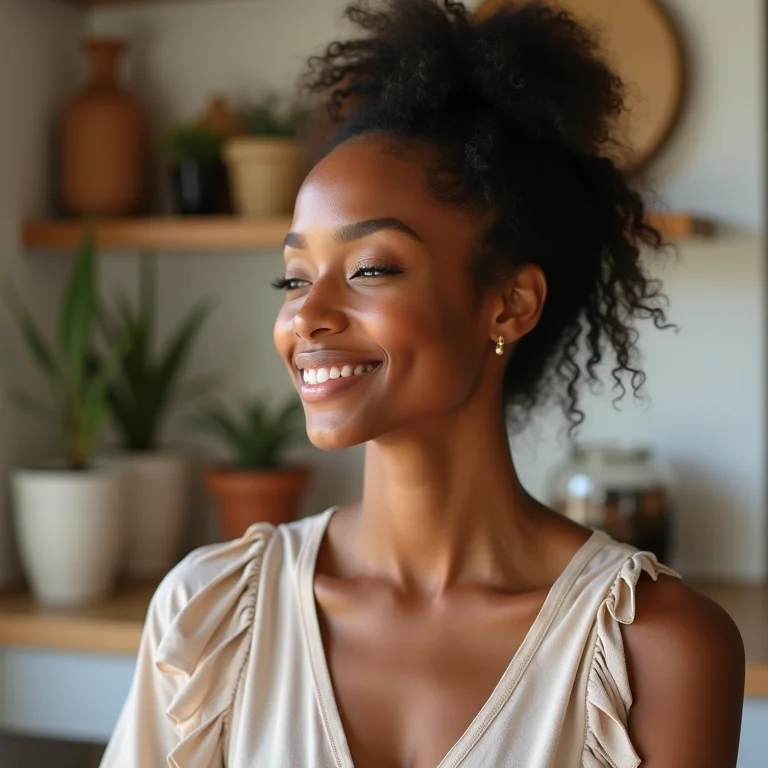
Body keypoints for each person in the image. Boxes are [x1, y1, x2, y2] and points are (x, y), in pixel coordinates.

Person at [100, 2, 745, 766]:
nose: (307, 316)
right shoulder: (207, 614)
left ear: (510, 302)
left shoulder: (656, 648)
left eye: (371, 268)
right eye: (294, 277)